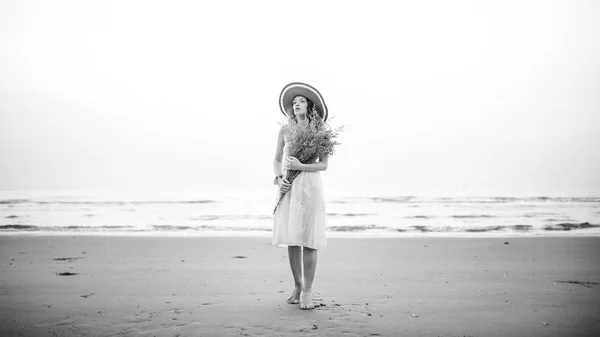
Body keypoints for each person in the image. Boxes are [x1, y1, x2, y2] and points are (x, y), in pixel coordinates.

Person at [272, 82, 329, 310]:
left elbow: (324, 165)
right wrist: (279, 178)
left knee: (309, 239)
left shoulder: (320, 131)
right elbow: (276, 159)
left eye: (301, 101)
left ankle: (308, 290)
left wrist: (301, 165)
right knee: (293, 238)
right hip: (288, 186)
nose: (296, 104)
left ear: (310, 105)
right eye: (294, 102)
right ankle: (297, 284)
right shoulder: (285, 130)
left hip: (309, 186)